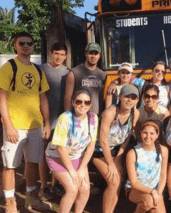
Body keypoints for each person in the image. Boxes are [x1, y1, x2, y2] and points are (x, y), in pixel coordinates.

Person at [0, 32, 51, 212]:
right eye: (21, 43)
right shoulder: (8, 68)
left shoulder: (38, 70)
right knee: (10, 165)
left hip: (34, 126)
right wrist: (8, 125)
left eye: (29, 43)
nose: (25, 45)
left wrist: (47, 123)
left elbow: (42, 98)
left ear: (33, 46)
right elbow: (2, 98)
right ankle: (10, 202)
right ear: (15, 45)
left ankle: (30, 197)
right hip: (15, 126)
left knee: (32, 162)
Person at [46, 88, 99, 213]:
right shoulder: (64, 118)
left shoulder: (93, 118)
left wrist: (81, 169)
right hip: (57, 157)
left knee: (85, 188)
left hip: (77, 156)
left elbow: (91, 145)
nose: (82, 105)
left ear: (90, 104)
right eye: (79, 101)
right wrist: (72, 171)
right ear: (73, 102)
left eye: (86, 102)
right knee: (72, 189)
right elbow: (60, 148)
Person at [93, 84, 140, 213]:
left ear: (137, 100)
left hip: (116, 150)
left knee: (118, 182)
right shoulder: (110, 113)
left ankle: (111, 209)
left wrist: (118, 159)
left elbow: (127, 138)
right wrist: (111, 163)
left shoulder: (135, 114)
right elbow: (102, 141)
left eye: (133, 97)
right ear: (120, 96)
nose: (129, 100)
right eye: (126, 96)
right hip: (99, 150)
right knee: (114, 181)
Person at [40, 42, 69, 199]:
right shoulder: (41, 70)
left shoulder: (67, 72)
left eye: (62, 54)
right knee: (41, 155)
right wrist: (45, 121)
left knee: (57, 153)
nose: (59, 57)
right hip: (44, 119)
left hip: (61, 119)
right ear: (51, 53)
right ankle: (43, 187)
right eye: (56, 53)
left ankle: (54, 185)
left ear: (66, 57)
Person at [125, 120, 168, 213]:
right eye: (145, 133)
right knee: (149, 201)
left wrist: (159, 193)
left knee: (156, 210)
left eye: (152, 133)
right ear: (140, 133)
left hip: (156, 190)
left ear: (157, 135)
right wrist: (152, 192)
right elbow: (134, 183)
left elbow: (163, 175)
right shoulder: (133, 153)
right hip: (135, 189)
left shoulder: (163, 150)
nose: (148, 136)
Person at [64, 42, 107, 115]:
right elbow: (68, 97)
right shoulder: (74, 72)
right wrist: (68, 116)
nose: (93, 56)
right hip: (78, 116)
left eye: (95, 53)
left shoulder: (103, 75)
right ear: (86, 54)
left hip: (96, 118)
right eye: (90, 53)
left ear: (99, 56)